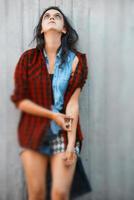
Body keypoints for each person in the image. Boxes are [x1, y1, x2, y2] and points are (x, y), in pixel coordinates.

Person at [11, 6, 88, 200]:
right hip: (32, 129)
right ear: (41, 29)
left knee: (60, 193)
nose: (51, 18)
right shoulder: (28, 59)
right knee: (36, 193)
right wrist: (52, 115)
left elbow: (72, 104)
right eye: (47, 16)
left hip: (63, 131)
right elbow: (21, 100)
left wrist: (71, 144)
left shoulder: (76, 60)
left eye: (57, 16)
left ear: (64, 29)